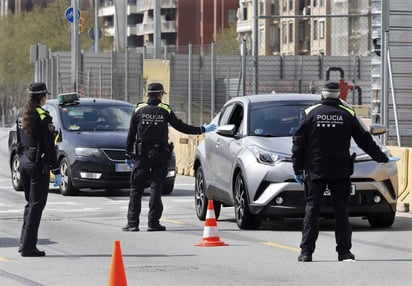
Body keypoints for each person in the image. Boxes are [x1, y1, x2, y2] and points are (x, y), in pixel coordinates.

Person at [291, 81, 399, 262]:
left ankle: (306, 252)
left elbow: (298, 143)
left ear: (322, 95)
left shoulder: (311, 113)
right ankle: (344, 252)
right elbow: (365, 140)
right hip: (340, 171)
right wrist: (383, 158)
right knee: (341, 211)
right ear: (339, 96)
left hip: (315, 170)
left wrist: (297, 168)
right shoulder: (347, 114)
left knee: (312, 210)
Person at [124, 82, 216, 232]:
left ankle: (133, 223)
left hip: (141, 156)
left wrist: (128, 153)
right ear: (160, 95)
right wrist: (202, 129)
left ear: (148, 94)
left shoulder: (138, 109)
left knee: (136, 189)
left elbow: (131, 134)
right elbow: (181, 126)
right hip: (160, 155)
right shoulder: (165, 110)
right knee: (155, 188)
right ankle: (153, 223)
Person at [17, 82, 62, 257]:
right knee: (36, 206)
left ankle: (23, 242)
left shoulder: (22, 114)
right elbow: (50, 148)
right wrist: (56, 170)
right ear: (42, 97)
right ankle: (28, 247)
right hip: (37, 166)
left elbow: (19, 141)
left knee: (30, 205)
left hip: (25, 162)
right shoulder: (43, 116)